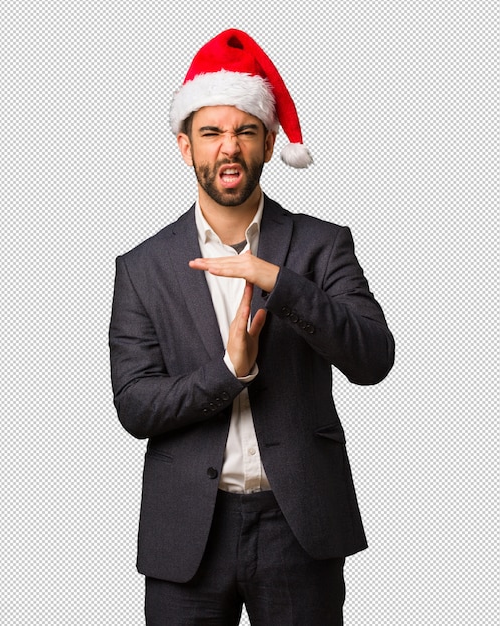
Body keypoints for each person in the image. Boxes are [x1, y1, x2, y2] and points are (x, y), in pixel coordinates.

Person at [109, 28, 395, 626]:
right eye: (211, 133)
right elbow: (136, 407)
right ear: (185, 147)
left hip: (300, 526)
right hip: (189, 531)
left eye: (244, 131)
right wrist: (229, 373)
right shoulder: (142, 268)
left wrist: (281, 282)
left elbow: (374, 360)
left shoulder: (322, 244)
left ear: (268, 141)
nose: (228, 148)